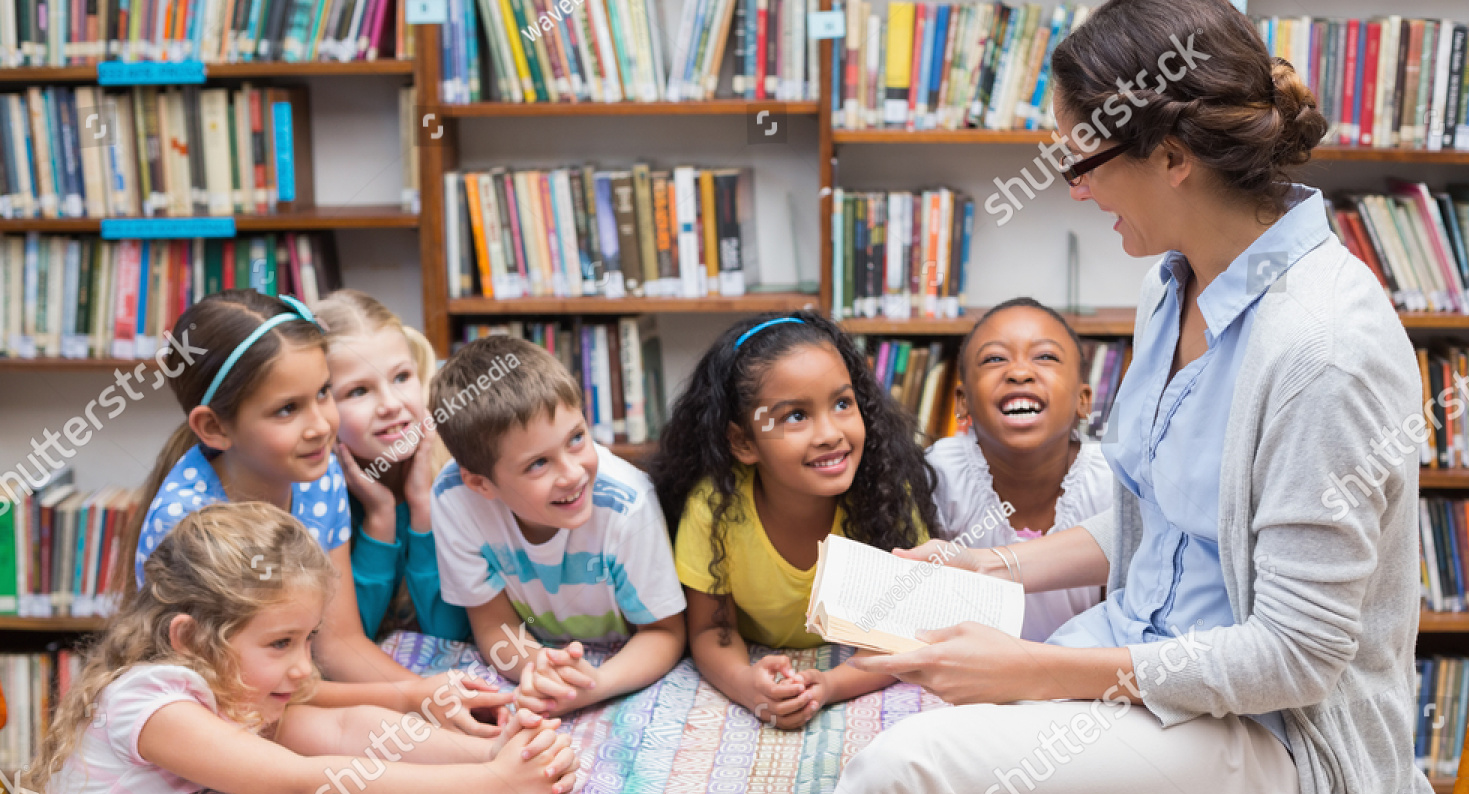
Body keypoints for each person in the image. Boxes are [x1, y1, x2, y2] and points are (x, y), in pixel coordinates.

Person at [797, 0, 1440, 794]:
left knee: (903, 775)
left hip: (1274, 741)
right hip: (1142, 662)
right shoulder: (1170, 283)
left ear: (1172, 156)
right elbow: (1163, 516)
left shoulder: (1323, 348)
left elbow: (1295, 656)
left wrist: (1038, 670)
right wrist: (990, 562)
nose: (1074, 191)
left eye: (1083, 163)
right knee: (926, 767)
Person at [6, 503, 576, 794]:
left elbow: (344, 728)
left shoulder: (232, 685)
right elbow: (308, 784)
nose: (305, 667)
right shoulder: (151, 704)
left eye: (309, 639)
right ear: (188, 637)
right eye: (281, 643)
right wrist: (496, 788)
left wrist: (486, 751)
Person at [120, 290, 505, 735]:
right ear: (214, 427)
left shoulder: (316, 475)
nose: (322, 424)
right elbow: (240, 693)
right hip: (216, 717)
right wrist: (408, 697)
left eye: (323, 393)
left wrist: (434, 697)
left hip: (284, 697)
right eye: (288, 409)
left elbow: (339, 643)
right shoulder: (188, 528)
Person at [651, 312, 938, 730]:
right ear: (744, 441)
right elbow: (713, 631)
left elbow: (901, 633)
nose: (829, 433)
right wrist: (747, 685)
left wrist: (828, 685)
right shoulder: (713, 509)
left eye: (842, 403)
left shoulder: (888, 494)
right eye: (796, 416)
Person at [429, 335, 687, 716]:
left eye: (577, 439)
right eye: (538, 464)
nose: (572, 473)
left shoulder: (627, 504)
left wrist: (595, 684)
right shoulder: (454, 500)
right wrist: (542, 671)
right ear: (481, 484)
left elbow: (665, 633)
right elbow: (493, 626)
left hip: (623, 657)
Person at [928, 297, 1113, 642]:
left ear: (1083, 400)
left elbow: (1121, 616)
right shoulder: (940, 475)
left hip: (1079, 678)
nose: (1019, 372)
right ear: (962, 401)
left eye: (1045, 357)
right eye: (995, 359)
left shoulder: (1109, 482)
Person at [316, 289, 470, 643]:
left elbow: (451, 634)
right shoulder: (318, 491)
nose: (391, 404)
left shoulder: (458, 468)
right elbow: (347, 643)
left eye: (401, 377)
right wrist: (381, 518)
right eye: (358, 391)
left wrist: (422, 508)